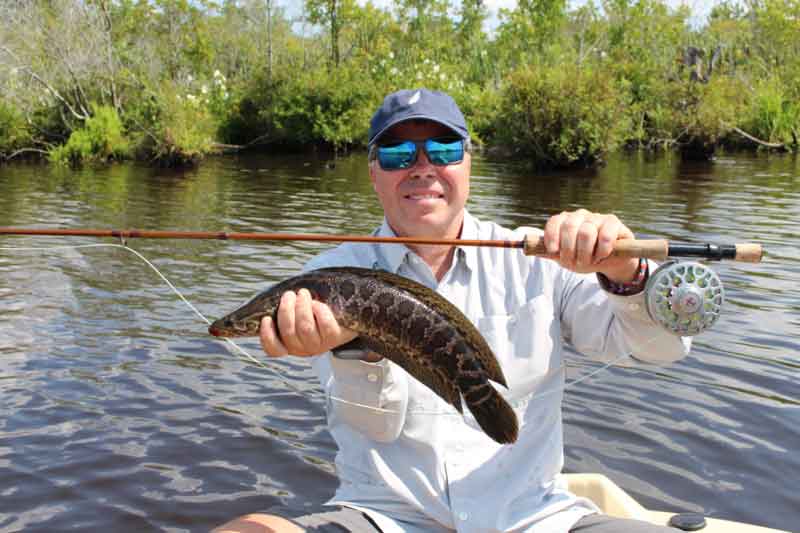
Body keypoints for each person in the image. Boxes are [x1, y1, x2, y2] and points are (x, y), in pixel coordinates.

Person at [214, 89, 691, 533]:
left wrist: (628, 274)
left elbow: (661, 350)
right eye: (398, 154)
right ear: (373, 173)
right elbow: (373, 426)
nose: (422, 167)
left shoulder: (541, 259)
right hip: (385, 518)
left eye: (443, 150)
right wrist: (357, 351)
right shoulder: (322, 281)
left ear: (468, 163)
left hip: (535, 517)